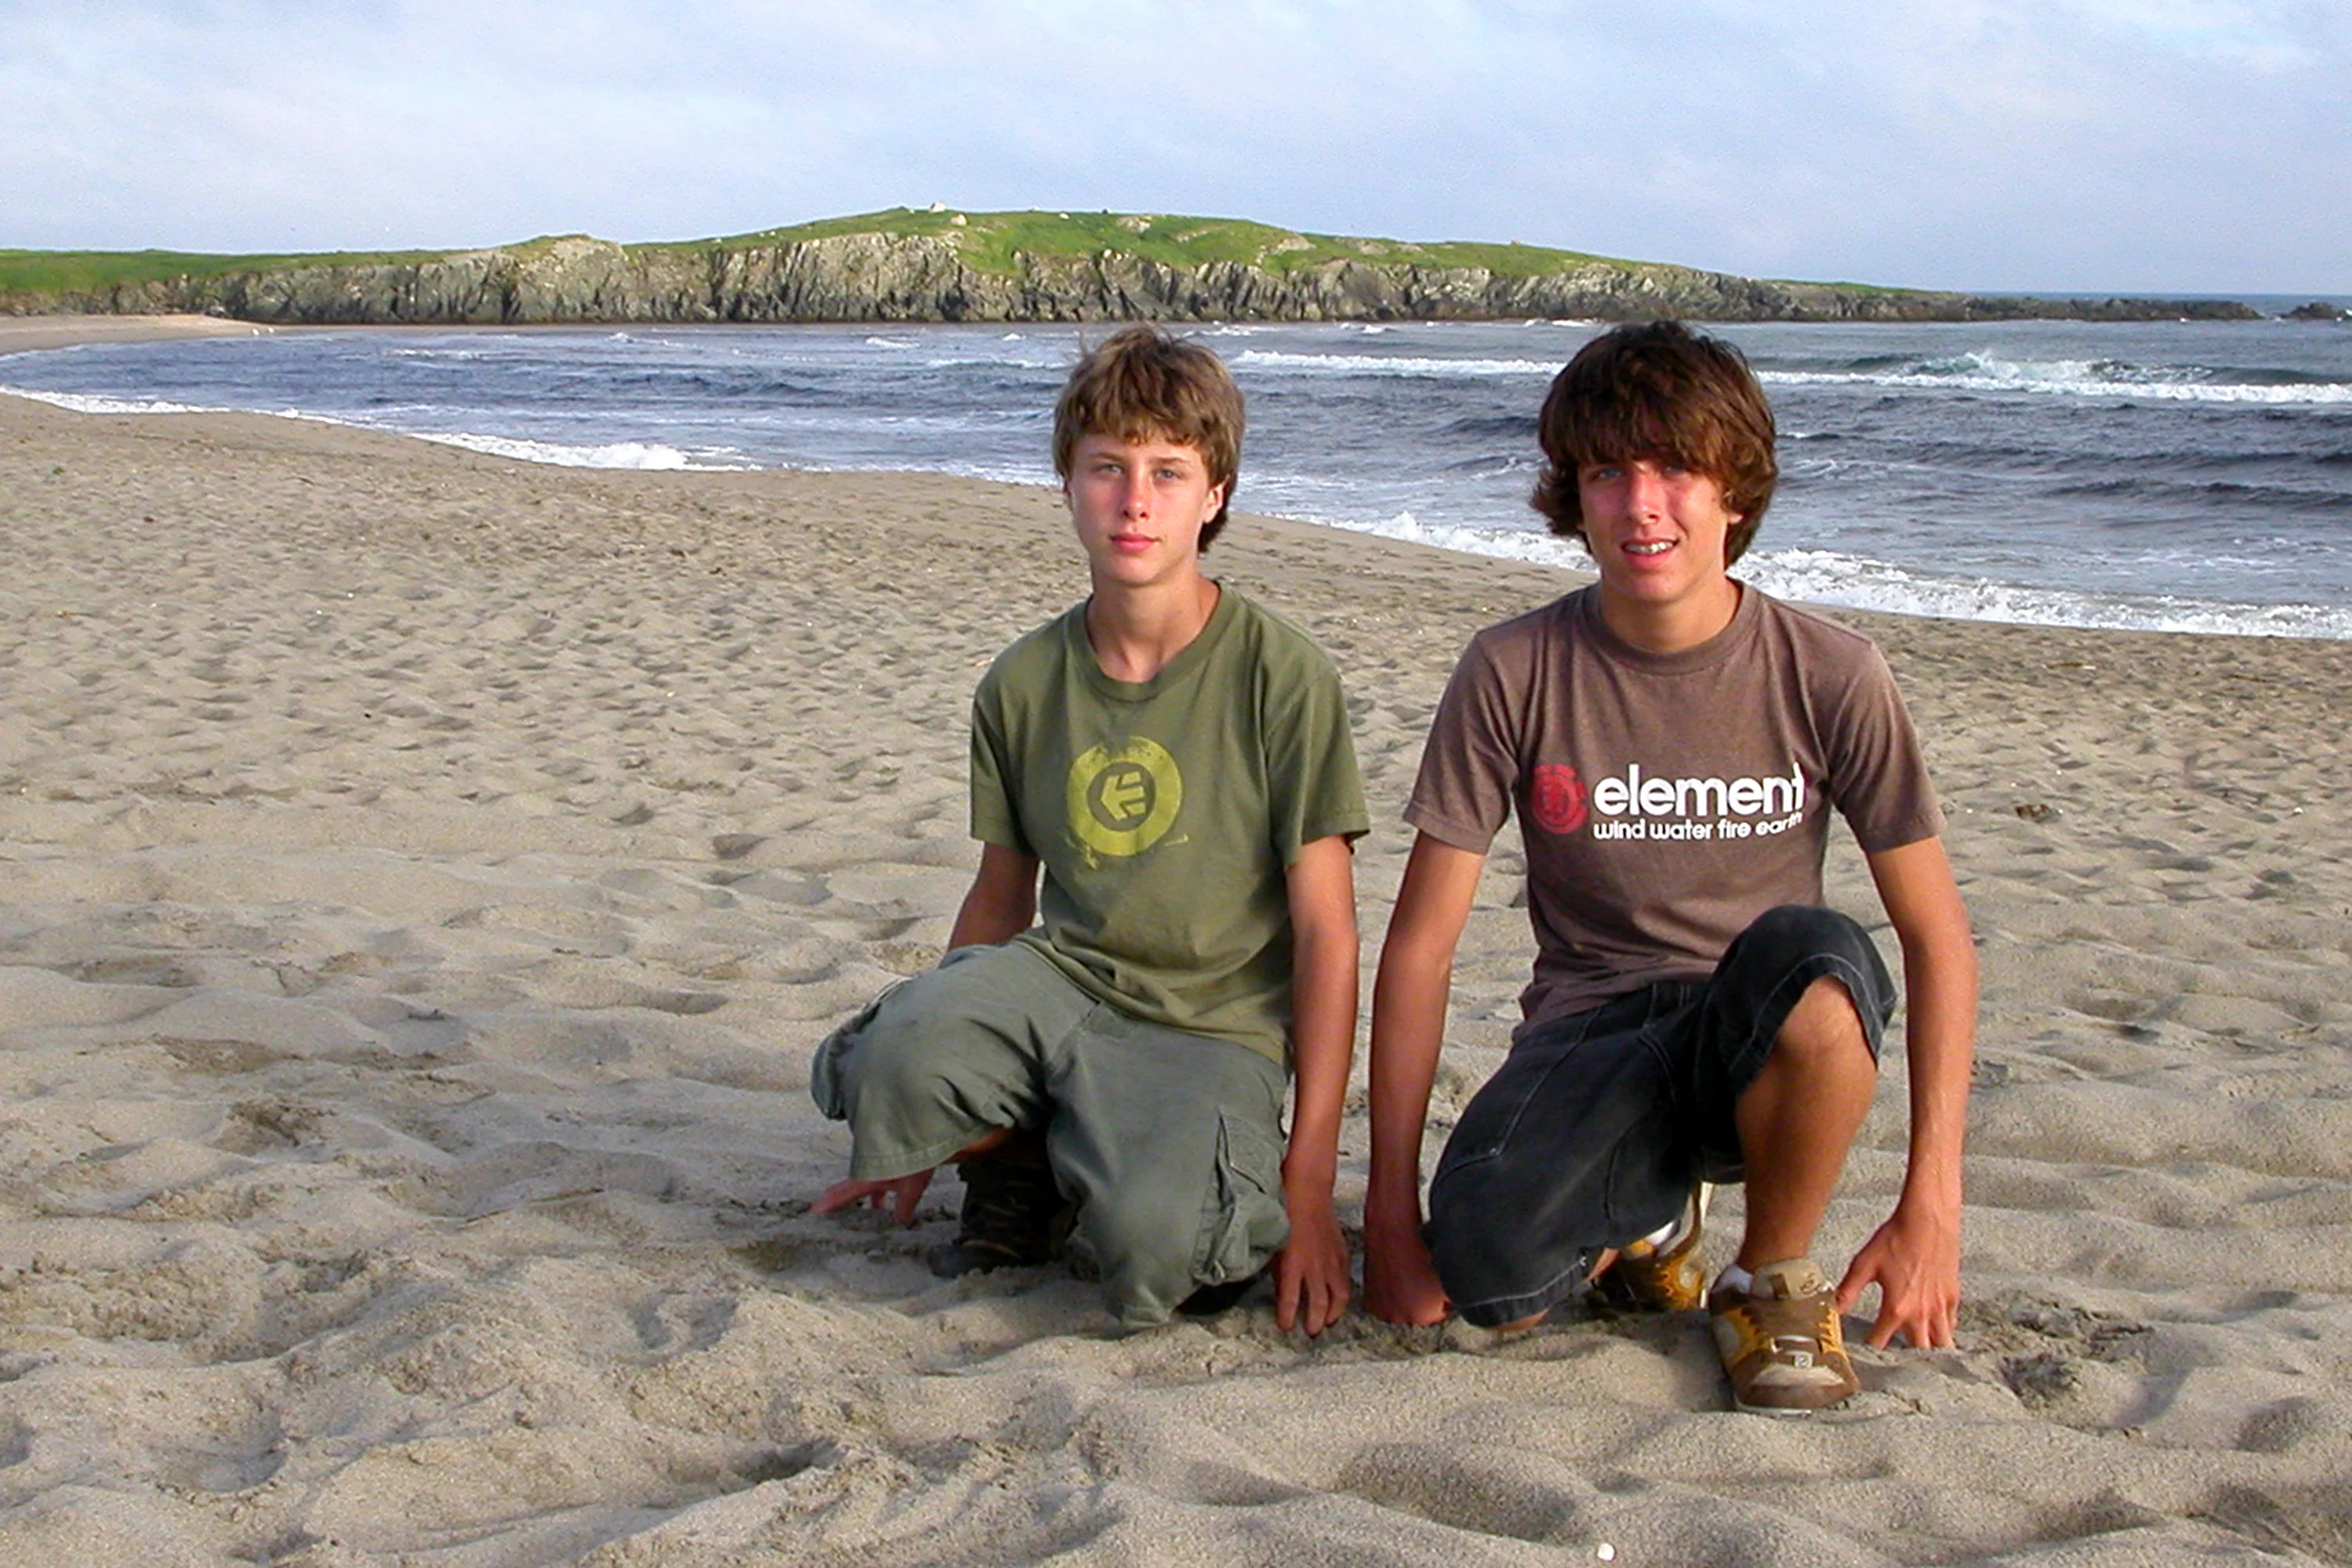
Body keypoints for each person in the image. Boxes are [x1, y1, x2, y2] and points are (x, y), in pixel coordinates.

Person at [1362, 321, 1976, 1414]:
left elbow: (1935, 940)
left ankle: (1771, 1273)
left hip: (1764, 1028)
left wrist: (1933, 1203)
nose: (1643, 505)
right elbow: (1420, 949)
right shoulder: (1515, 667)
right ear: (1574, 495)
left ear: (1734, 493)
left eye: (1678, 470)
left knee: (1816, 954)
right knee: (1491, 1269)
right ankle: (1650, 1222)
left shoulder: (1833, 672)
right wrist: (1392, 1216)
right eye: (1609, 473)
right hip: (1590, 1032)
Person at [808, 325, 1367, 1334]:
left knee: (1170, 1254)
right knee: (899, 1063)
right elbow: (999, 892)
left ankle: (1114, 1157)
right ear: (1067, 483)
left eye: (1167, 471)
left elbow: (1328, 932)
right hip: (1064, 981)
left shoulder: (1282, 676)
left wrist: (1313, 1181)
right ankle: (1015, 1168)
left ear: (1217, 494)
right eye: (1107, 468)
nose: (1135, 500)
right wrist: (930, 1123)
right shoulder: (1023, 681)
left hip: (1211, 1023)